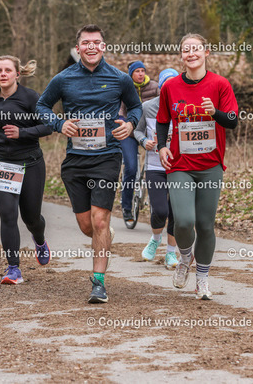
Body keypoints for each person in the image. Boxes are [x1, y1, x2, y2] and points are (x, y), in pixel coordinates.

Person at [36, 24, 142, 303]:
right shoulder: (63, 79)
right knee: (87, 226)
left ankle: (99, 283)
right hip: (76, 160)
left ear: (103, 46)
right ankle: (103, 234)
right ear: (78, 48)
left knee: (99, 220)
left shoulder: (120, 78)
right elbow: (41, 107)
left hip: (107, 156)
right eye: (86, 43)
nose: (91, 46)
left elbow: (136, 106)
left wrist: (130, 125)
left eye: (96, 42)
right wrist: (59, 124)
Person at [157, 34, 239, 300]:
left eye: (196, 49)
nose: (191, 53)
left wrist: (214, 112)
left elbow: (232, 120)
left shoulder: (220, 84)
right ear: (181, 55)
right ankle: (184, 257)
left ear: (206, 52)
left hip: (210, 165)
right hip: (180, 164)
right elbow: (162, 120)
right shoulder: (170, 87)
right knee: (183, 222)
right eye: (186, 50)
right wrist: (162, 146)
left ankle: (202, 279)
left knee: (204, 225)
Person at [0, 55, 53, 285]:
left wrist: (22, 133)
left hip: (30, 163)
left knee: (31, 217)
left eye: (7, 70)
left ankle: (39, 239)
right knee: (8, 215)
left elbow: (48, 126)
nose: (3, 74)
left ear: (17, 74)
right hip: (2, 164)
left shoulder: (31, 97)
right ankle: (13, 269)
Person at [133, 68, 179, 268]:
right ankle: (155, 239)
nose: (169, 89)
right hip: (154, 166)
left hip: (179, 167)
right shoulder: (148, 107)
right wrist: (144, 141)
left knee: (176, 212)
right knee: (160, 210)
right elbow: (137, 130)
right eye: (165, 86)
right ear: (160, 88)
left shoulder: (184, 107)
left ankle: (171, 253)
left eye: (173, 85)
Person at [120, 61, 159, 225]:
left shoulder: (155, 87)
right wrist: (124, 125)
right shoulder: (125, 87)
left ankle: (157, 204)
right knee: (131, 168)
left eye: (143, 70)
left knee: (159, 167)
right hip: (130, 131)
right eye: (137, 71)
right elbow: (120, 112)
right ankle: (126, 206)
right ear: (131, 74)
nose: (141, 74)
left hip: (150, 131)